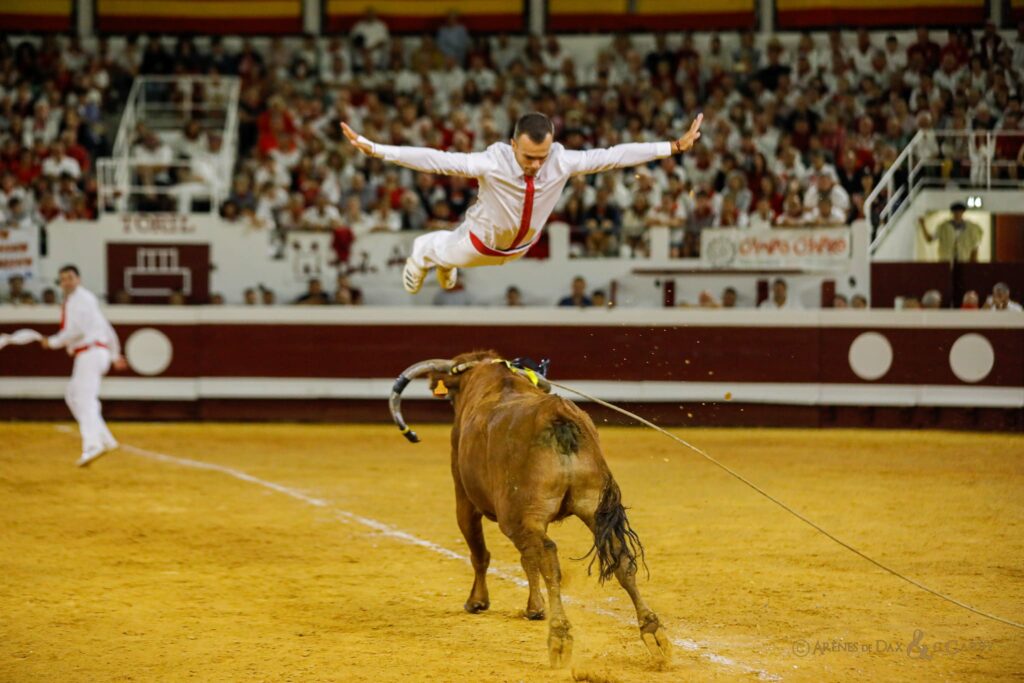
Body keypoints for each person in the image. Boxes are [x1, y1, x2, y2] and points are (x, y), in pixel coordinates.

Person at [342, 111, 703, 293]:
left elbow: (614, 155)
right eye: (528, 157)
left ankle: (445, 262)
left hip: (521, 247)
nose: (535, 165)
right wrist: (377, 150)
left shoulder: (561, 160)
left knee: (455, 256)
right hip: (478, 242)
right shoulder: (491, 162)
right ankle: (423, 256)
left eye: (541, 157)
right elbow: (436, 160)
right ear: (513, 144)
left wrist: (672, 146)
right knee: (442, 250)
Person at [38, 265, 126, 467]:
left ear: (78, 279)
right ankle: (105, 438)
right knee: (73, 395)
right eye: (63, 279)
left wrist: (52, 342)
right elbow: (106, 327)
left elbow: (75, 330)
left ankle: (93, 445)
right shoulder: (84, 299)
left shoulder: (79, 300)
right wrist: (114, 354)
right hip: (95, 352)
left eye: (70, 277)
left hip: (90, 353)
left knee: (84, 399)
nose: (67, 282)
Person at [918, 202, 983, 263]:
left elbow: (975, 248)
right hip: (946, 261)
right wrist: (922, 225)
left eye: (959, 211)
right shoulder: (943, 227)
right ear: (952, 213)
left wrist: (973, 264)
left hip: (964, 261)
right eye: (955, 212)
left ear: (963, 212)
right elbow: (929, 239)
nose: (957, 214)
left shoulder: (971, 228)